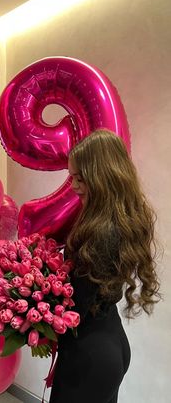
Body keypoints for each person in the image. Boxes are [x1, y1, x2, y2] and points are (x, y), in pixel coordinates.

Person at [49, 129, 160, 403]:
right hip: (110, 343)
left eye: (80, 178)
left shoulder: (101, 232)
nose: (73, 186)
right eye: (71, 177)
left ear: (101, 176)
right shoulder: (118, 220)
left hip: (88, 357)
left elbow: (75, 308)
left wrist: (29, 304)